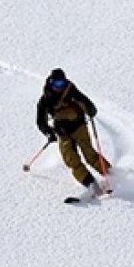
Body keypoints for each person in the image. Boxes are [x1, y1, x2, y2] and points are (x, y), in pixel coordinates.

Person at [36, 68, 112, 198]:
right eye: (56, 84)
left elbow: (87, 103)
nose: (59, 87)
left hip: (79, 127)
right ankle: (90, 183)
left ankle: (111, 175)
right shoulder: (45, 100)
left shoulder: (71, 91)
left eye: (61, 84)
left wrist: (90, 109)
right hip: (62, 131)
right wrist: (49, 133)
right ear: (51, 83)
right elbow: (40, 121)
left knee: (90, 154)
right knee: (71, 159)